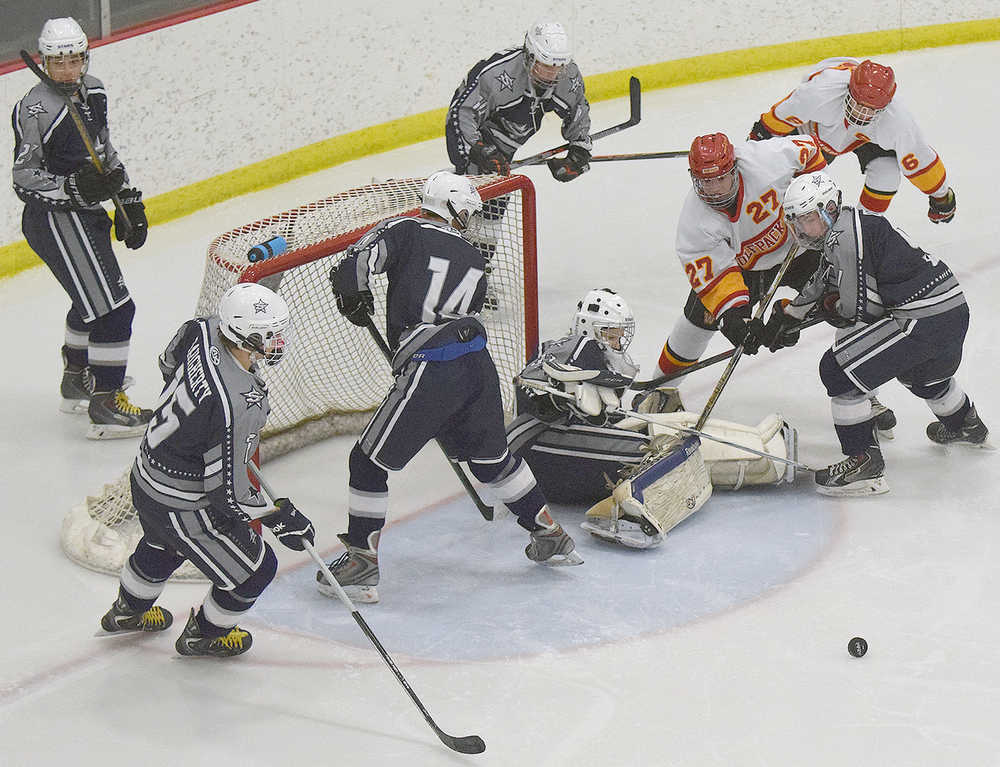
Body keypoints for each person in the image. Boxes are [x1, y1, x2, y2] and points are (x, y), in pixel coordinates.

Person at [320, 171, 582, 604]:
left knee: (366, 462)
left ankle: (361, 560)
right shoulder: (475, 259)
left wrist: (354, 292)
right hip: (478, 364)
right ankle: (548, 533)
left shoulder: (407, 228)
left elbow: (356, 262)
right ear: (455, 210)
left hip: (432, 366)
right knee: (491, 460)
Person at [98, 283, 315, 657]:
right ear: (245, 338)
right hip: (181, 502)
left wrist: (197, 424)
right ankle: (207, 634)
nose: (279, 340)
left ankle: (128, 611)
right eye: (270, 334)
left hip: (146, 472)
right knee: (256, 570)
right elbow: (226, 492)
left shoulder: (203, 328)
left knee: (163, 542)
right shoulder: (238, 402)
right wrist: (280, 518)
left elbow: (168, 363)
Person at [756, 171, 989, 496]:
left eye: (808, 218)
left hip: (920, 319)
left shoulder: (845, 238)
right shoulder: (849, 225)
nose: (801, 229)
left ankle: (863, 463)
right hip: (950, 311)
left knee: (838, 370)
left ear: (827, 209)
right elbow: (825, 279)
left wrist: (826, 308)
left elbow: (862, 311)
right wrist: (790, 314)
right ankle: (965, 423)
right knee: (921, 374)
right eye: (797, 221)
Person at [12, 17, 151, 439]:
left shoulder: (95, 91)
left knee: (89, 301)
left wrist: (128, 199)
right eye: (58, 63)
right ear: (44, 61)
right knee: (115, 309)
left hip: (85, 215)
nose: (68, 70)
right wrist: (72, 187)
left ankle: (76, 379)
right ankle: (106, 402)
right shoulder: (33, 108)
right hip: (55, 219)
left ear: (84, 57)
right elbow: (24, 176)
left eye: (74, 60)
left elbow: (104, 151)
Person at [749, 57, 956, 223]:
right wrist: (754, 162)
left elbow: (920, 161)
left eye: (871, 110)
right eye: (859, 105)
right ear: (848, 90)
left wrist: (942, 197)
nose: (862, 114)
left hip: (865, 139)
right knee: (800, 187)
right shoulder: (819, 93)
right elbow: (772, 124)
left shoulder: (897, 120)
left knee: (887, 176)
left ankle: (862, 231)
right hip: (815, 130)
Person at [507, 288, 649, 505]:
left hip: (537, 453)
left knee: (646, 435)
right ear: (588, 328)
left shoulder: (583, 353)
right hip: (535, 450)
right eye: (611, 336)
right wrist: (556, 397)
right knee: (647, 452)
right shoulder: (581, 346)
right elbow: (531, 390)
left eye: (619, 337)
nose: (618, 344)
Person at [446, 21, 592, 183]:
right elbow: (461, 113)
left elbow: (578, 107)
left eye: (557, 68)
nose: (552, 74)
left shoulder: (569, 75)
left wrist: (579, 152)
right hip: (484, 137)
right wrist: (477, 150)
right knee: (472, 200)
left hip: (508, 146)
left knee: (497, 202)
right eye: (545, 66)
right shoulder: (497, 74)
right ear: (529, 57)